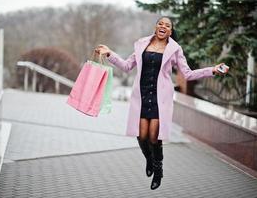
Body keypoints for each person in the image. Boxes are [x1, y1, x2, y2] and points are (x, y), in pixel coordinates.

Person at [95, 16, 229, 190]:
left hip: (160, 99)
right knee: (141, 136)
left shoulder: (175, 49)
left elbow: (187, 74)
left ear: (170, 32)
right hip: (142, 96)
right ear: (155, 27)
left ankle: (158, 171)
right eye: (160, 23)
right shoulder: (142, 44)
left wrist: (212, 70)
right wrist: (109, 53)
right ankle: (150, 160)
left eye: (167, 25)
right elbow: (127, 66)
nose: (163, 26)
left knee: (153, 137)